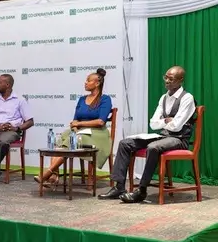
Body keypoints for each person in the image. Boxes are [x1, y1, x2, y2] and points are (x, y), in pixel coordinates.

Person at [98, 65, 196, 203]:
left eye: (171, 79)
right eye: (166, 77)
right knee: (125, 143)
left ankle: (141, 190)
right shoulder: (163, 98)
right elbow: (153, 124)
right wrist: (166, 120)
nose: (167, 81)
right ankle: (119, 187)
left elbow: (176, 126)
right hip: (163, 136)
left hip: (179, 139)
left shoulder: (187, 98)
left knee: (153, 147)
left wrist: (164, 122)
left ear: (180, 80)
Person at [34, 68, 113, 188]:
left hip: (97, 133)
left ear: (97, 83)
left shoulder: (105, 99)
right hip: (80, 131)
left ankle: (48, 173)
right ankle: (54, 174)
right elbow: (75, 119)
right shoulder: (82, 99)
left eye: (88, 80)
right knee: (63, 138)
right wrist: (75, 126)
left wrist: (80, 125)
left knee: (73, 140)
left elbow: (100, 122)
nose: (85, 83)